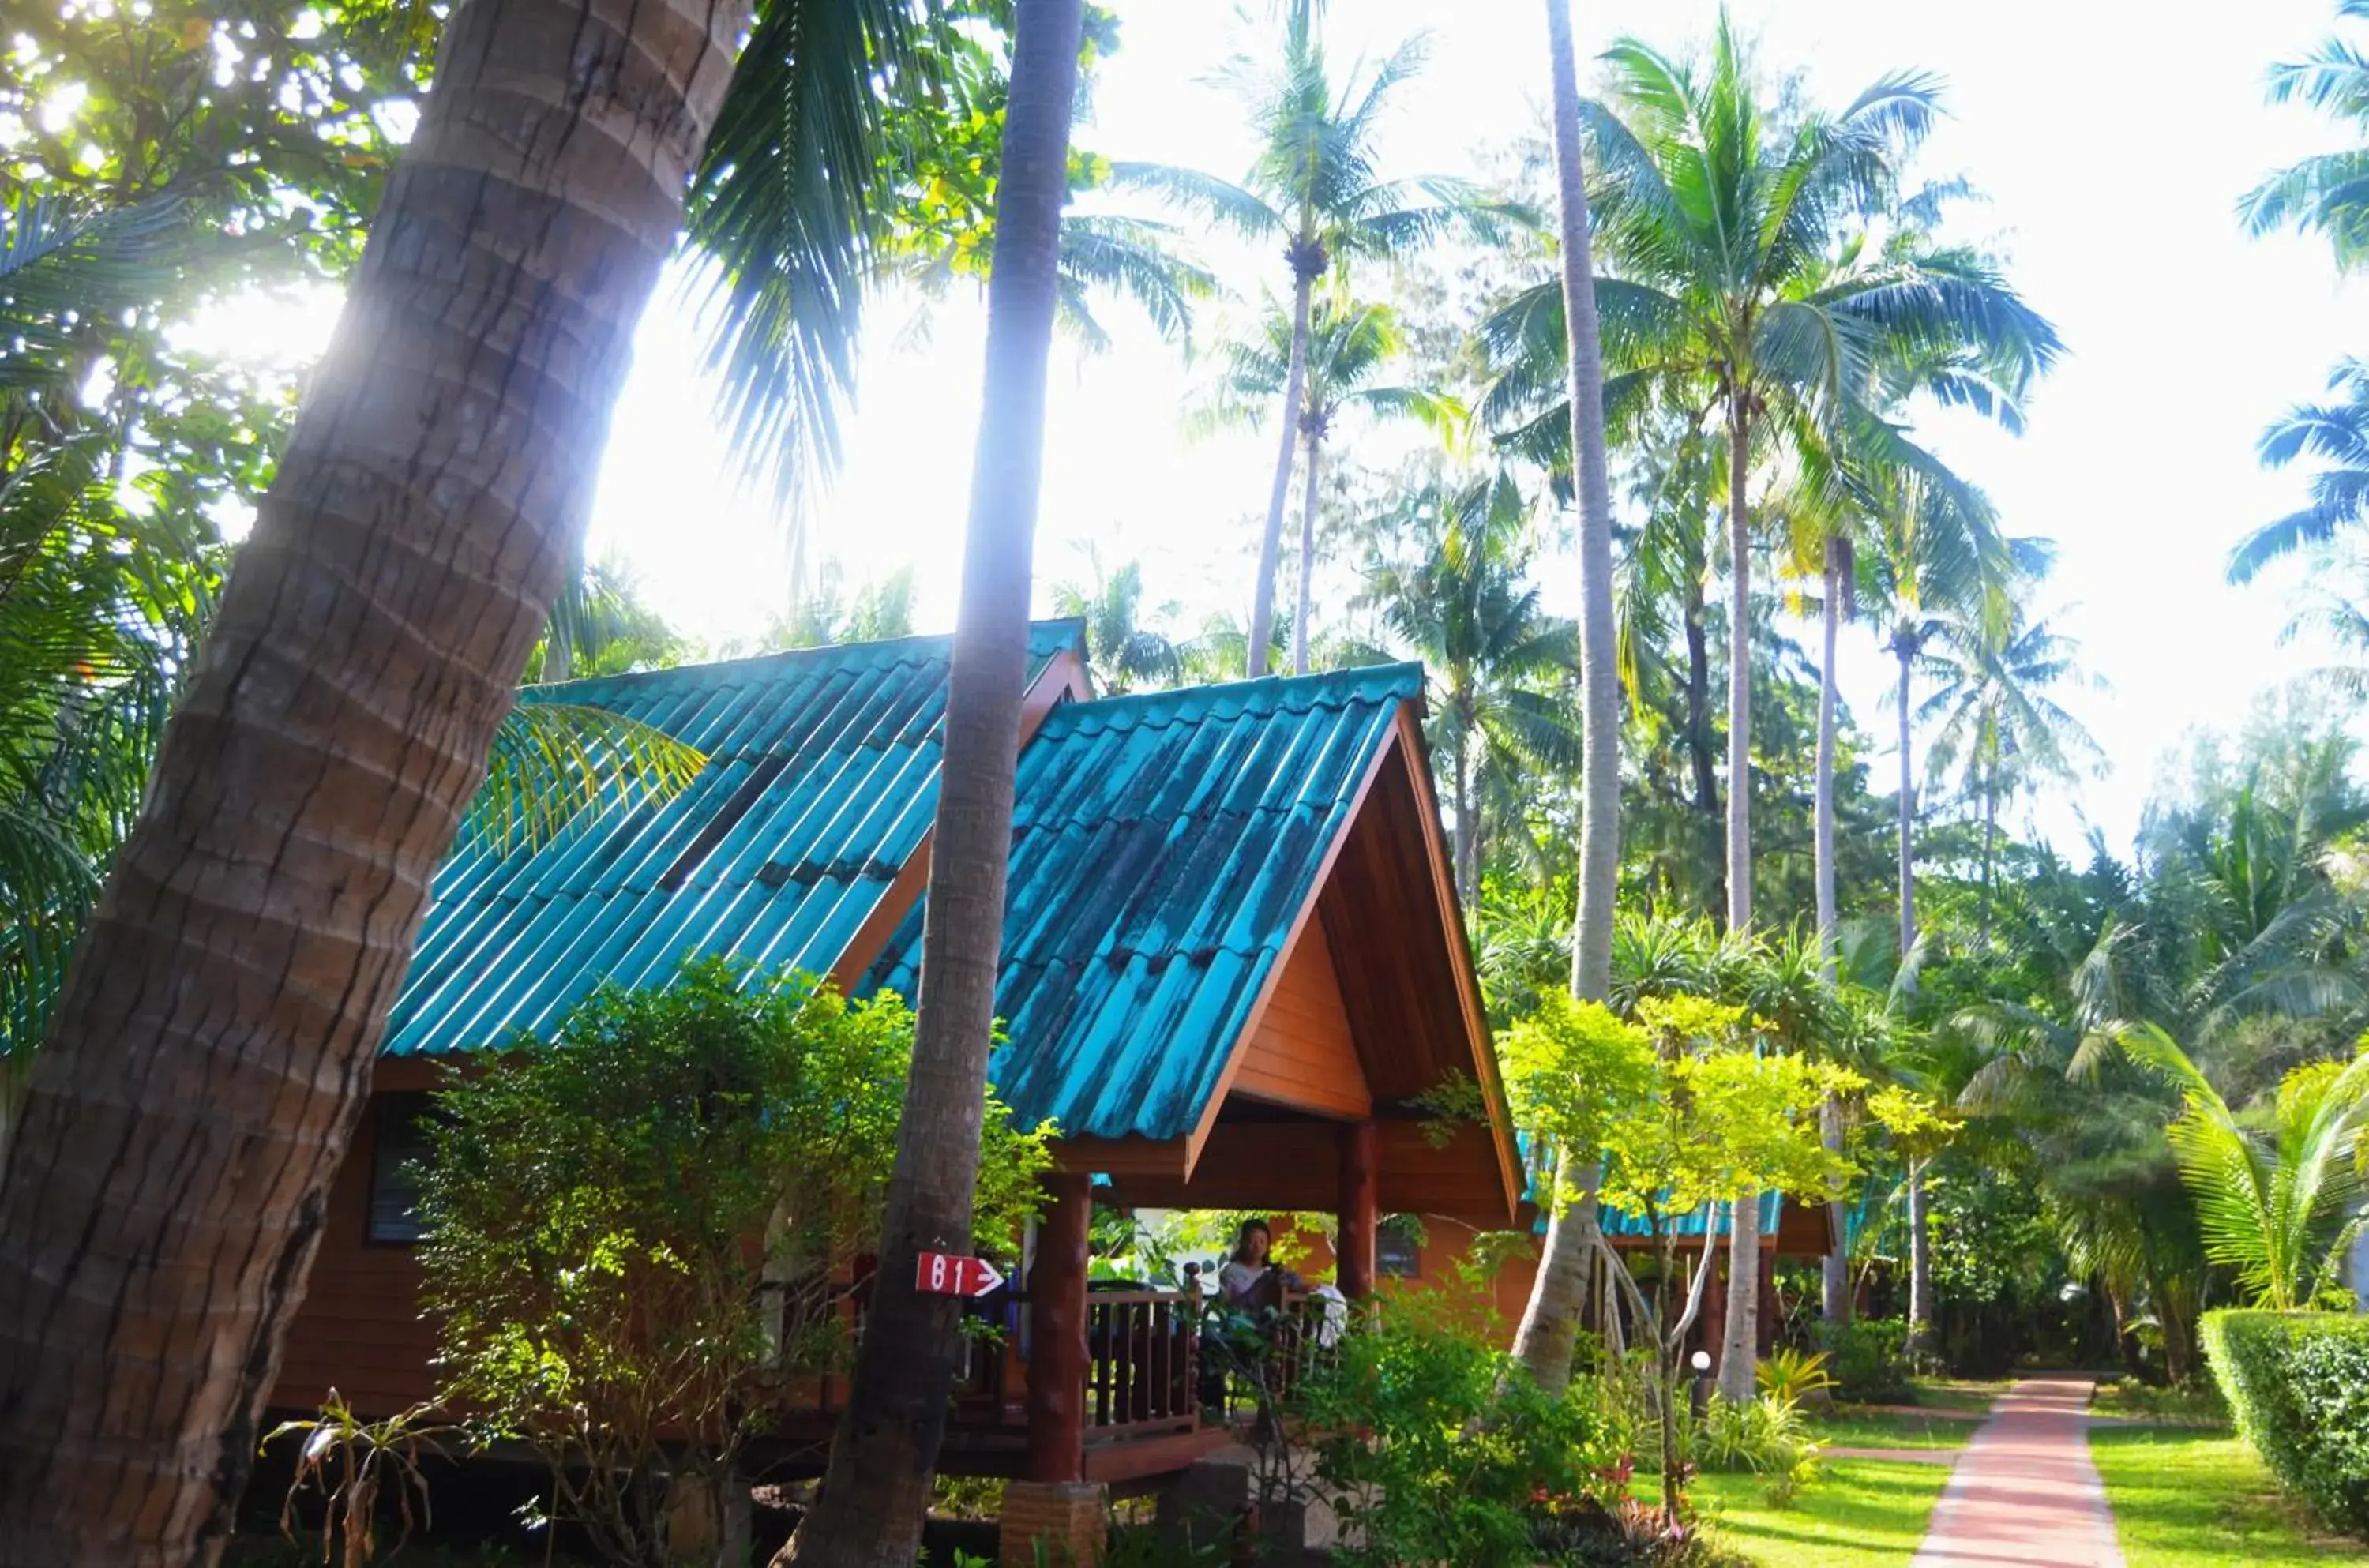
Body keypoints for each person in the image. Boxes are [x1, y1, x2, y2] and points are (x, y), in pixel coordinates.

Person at [1217, 1218, 1301, 1311]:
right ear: (1242, 1242)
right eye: (1252, 1241)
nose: (1257, 1246)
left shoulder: (1273, 1272)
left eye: (1262, 1241)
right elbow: (1226, 1307)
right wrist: (1261, 1284)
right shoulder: (1231, 1270)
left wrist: (1297, 1286)